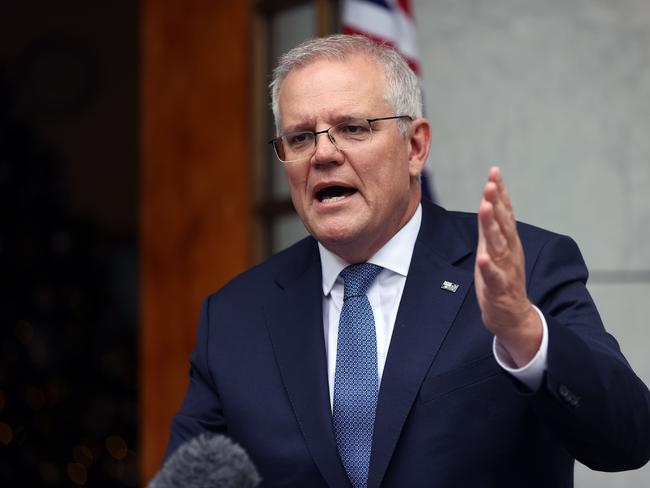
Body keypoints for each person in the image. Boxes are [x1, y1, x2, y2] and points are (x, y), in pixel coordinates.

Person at [165, 35, 650, 487]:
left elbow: (628, 439)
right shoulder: (234, 316)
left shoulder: (524, 268)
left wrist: (525, 333)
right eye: (300, 138)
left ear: (415, 146)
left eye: (352, 128)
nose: (323, 154)